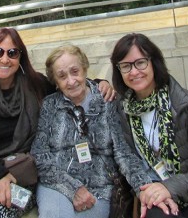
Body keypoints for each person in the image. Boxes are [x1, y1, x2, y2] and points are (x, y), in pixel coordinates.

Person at [0, 28, 114, 218]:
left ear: (20, 57)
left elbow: (68, 83)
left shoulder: (35, 84)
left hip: (25, 177)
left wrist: (99, 83)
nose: (5, 59)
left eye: (12, 53)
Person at [31, 44, 178, 218]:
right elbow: (39, 153)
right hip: (57, 185)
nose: (71, 81)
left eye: (75, 71)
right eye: (62, 76)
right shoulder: (50, 105)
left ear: (85, 69)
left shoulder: (107, 102)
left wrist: (145, 190)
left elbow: (123, 154)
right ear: (55, 81)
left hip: (98, 188)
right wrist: (73, 188)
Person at [110, 33, 188, 218]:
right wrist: (147, 191)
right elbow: (129, 162)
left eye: (140, 62)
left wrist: (168, 188)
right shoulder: (122, 111)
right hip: (153, 194)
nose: (134, 72)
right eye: (125, 66)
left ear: (154, 62)